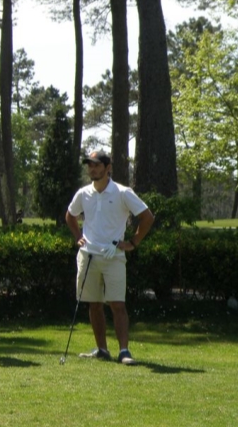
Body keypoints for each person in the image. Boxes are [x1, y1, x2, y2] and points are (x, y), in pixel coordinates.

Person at [65, 150, 155, 365]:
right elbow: (70, 215)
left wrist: (132, 243)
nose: (92, 169)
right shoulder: (83, 193)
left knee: (117, 304)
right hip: (88, 256)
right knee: (94, 304)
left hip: (113, 255)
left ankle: (124, 351)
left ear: (108, 168)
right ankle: (102, 350)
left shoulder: (123, 193)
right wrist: (78, 236)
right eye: (90, 165)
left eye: (97, 165)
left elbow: (147, 217)